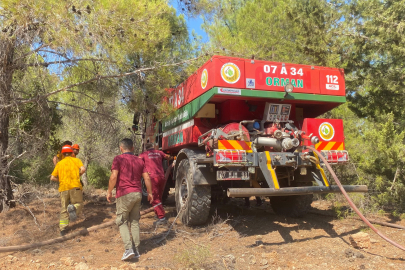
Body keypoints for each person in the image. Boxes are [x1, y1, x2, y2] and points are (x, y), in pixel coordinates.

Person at [107, 138, 153, 261]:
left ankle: (128, 249)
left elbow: (113, 177)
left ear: (121, 148)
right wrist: (150, 193)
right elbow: (147, 178)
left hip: (124, 194)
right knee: (134, 221)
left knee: (121, 221)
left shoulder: (118, 159)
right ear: (132, 148)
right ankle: (137, 250)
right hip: (137, 194)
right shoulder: (140, 160)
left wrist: (109, 191)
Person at [50, 145, 86, 236]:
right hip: (75, 187)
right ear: (71, 152)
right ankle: (74, 208)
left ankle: (63, 229)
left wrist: (60, 179)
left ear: (63, 153)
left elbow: (52, 177)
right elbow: (83, 169)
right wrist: (79, 175)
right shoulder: (76, 160)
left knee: (63, 208)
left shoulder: (59, 164)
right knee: (79, 204)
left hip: (63, 188)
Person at [139, 143, 172, 227]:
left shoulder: (144, 154)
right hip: (161, 177)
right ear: (153, 147)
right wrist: (172, 158)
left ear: (146, 149)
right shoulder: (159, 152)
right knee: (159, 196)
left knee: (154, 198)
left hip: (152, 178)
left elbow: (137, 161)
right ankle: (158, 214)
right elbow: (168, 157)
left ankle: (162, 218)